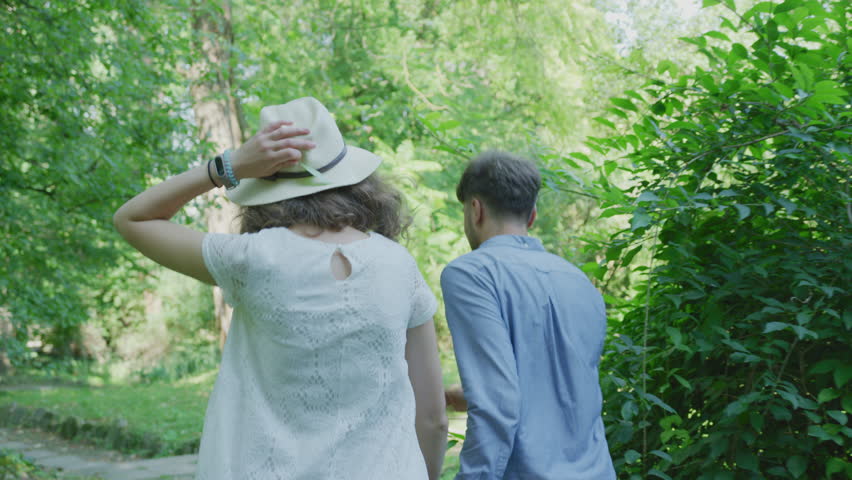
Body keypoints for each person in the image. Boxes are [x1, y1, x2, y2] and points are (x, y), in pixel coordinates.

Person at [114, 97, 448, 479]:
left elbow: (132, 219)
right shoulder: (400, 266)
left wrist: (227, 167)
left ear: (264, 187)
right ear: (355, 181)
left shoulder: (251, 260)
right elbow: (434, 418)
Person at [440, 151, 615, 479]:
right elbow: (563, 389)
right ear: (532, 216)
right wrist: (465, 395)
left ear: (475, 209)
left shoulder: (471, 274)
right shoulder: (578, 281)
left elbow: (497, 403)